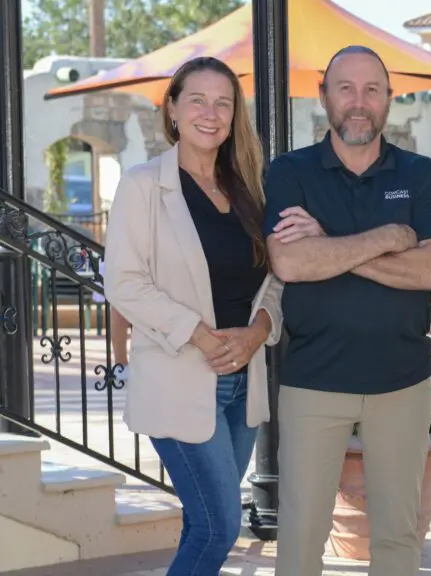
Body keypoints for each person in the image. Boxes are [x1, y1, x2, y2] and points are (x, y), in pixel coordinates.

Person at [262, 45, 431, 576]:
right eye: (345, 88)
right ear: (324, 95)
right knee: (301, 535)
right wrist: (391, 237)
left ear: (389, 98)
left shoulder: (419, 173)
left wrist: (328, 243)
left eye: (372, 89)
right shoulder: (291, 172)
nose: (358, 101)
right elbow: (289, 262)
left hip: (402, 382)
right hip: (313, 381)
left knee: (398, 536)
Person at [103, 56, 284, 575]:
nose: (211, 113)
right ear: (173, 109)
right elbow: (124, 282)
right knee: (219, 526)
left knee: (202, 521)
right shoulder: (142, 185)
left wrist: (258, 331)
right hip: (179, 377)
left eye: (223, 103)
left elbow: (277, 276)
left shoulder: (250, 187)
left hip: (241, 382)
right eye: (198, 100)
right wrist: (200, 336)